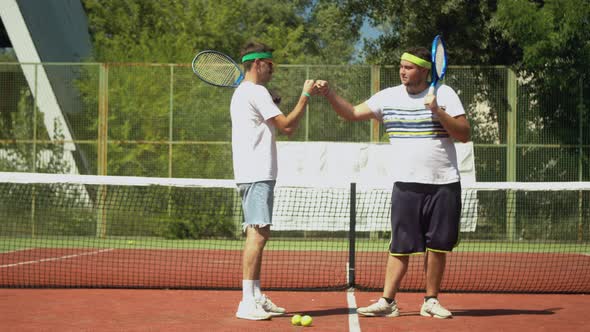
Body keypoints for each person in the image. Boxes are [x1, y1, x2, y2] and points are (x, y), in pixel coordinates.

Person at [316, 47, 470, 319]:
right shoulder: (387, 97)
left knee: (437, 247)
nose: (402, 71)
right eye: (400, 66)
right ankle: (388, 301)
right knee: (400, 246)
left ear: (424, 70)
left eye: (409, 67)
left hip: (444, 184)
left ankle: (431, 301)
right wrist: (329, 94)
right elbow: (351, 113)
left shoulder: (445, 94)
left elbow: (464, 134)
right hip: (405, 186)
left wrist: (438, 112)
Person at [231, 41, 317, 321]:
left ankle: (255, 295)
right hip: (257, 173)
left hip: (255, 173)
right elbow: (289, 126)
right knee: (257, 234)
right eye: (270, 64)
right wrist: (305, 96)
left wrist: (275, 103)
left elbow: (269, 123)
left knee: (259, 232)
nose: (272, 69)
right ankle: (246, 302)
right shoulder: (255, 91)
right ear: (257, 64)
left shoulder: (248, 93)